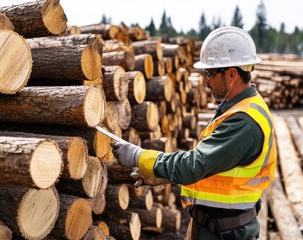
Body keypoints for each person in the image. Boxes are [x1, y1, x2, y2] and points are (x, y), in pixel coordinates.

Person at [111, 26, 277, 240]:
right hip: (218, 226)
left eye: (209, 73)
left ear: (232, 74)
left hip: (224, 233)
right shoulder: (239, 108)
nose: (204, 80)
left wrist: (138, 156)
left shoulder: (243, 122)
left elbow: (195, 165)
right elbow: (216, 169)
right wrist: (163, 176)